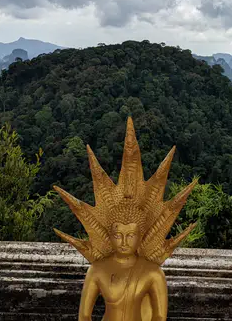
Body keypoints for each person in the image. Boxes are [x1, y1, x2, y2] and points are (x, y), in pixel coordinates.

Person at [54, 117, 196, 321]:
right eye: (118, 235)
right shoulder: (97, 270)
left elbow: (159, 317)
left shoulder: (153, 273)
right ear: (108, 235)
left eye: (131, 236)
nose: (123, 241)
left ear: (141, 236)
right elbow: (84, 316)